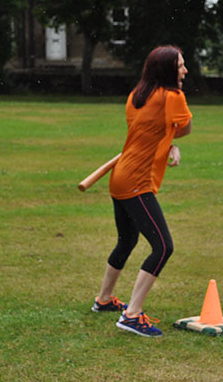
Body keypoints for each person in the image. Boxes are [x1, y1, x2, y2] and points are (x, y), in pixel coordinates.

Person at [91, 45, 192, 337]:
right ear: (167, 71)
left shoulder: (137, 95)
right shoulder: (174, 96)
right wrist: (174, 138)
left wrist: (168, 141)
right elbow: (184, 128)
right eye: (180, 66)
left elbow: (150, 131)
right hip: (137, 181)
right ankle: (132, 315)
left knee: (127, 240)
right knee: (163, 247)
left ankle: (105, 300)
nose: (185, 71)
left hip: (119, 177)